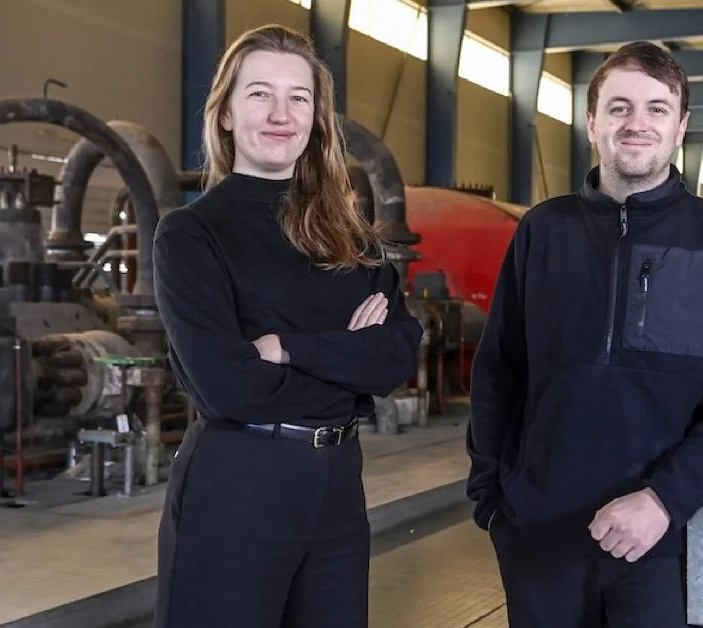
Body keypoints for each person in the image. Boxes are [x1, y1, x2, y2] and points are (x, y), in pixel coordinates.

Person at [465, 41, 703, 627]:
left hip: (660, 539)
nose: (636, 124)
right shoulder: (543, 231)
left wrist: (666, 499)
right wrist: (493, 501)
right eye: (619, 107)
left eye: (657, 109)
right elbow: (499, 373)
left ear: (681, 126)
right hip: (540, 537)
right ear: (592, 122)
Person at [150, 24, 423, 628]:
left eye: (298, 97)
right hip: (240, 485)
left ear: (317, 117)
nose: (281, 114)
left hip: (337, 488)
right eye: (259, 94)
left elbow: (398, 357)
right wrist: (348, 359)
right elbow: (230, 388)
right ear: (224, 114)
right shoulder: (193, 235)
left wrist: (287, 348)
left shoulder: (350, 237)